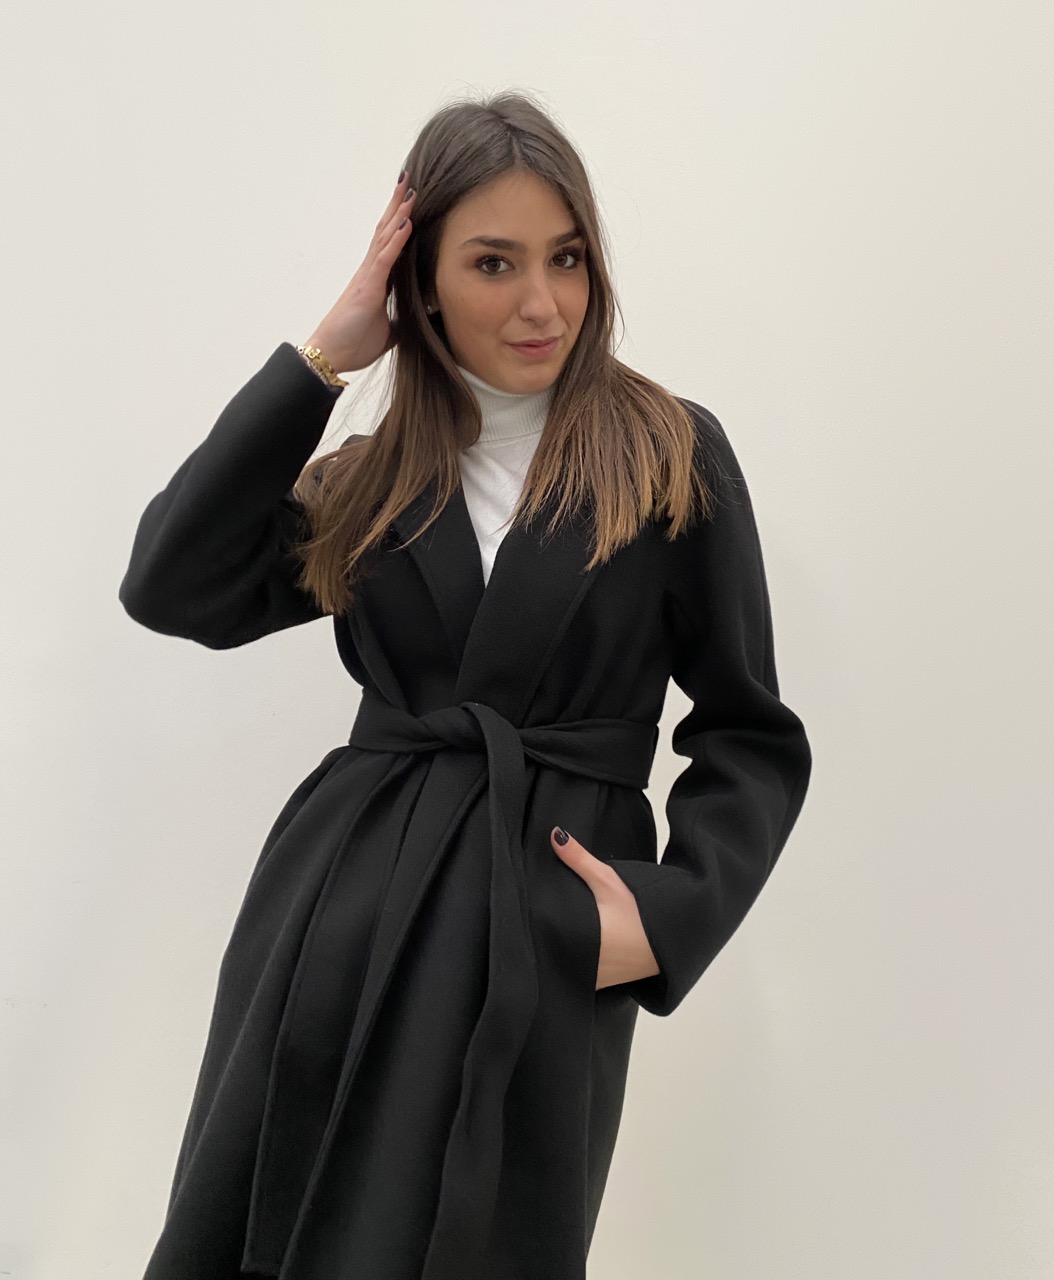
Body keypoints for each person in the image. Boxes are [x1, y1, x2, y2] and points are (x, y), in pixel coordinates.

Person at [118, 90, 812, 1280]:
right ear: (422, 282)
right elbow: (173, 584)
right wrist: (321, 359)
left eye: (566, 258)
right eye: (493, 262)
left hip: (537, 928)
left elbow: (749, 730)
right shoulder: (373, 475)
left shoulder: (667, 452)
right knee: (266, 1226)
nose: (542, 302)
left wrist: (661, 916)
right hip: (334, 914)